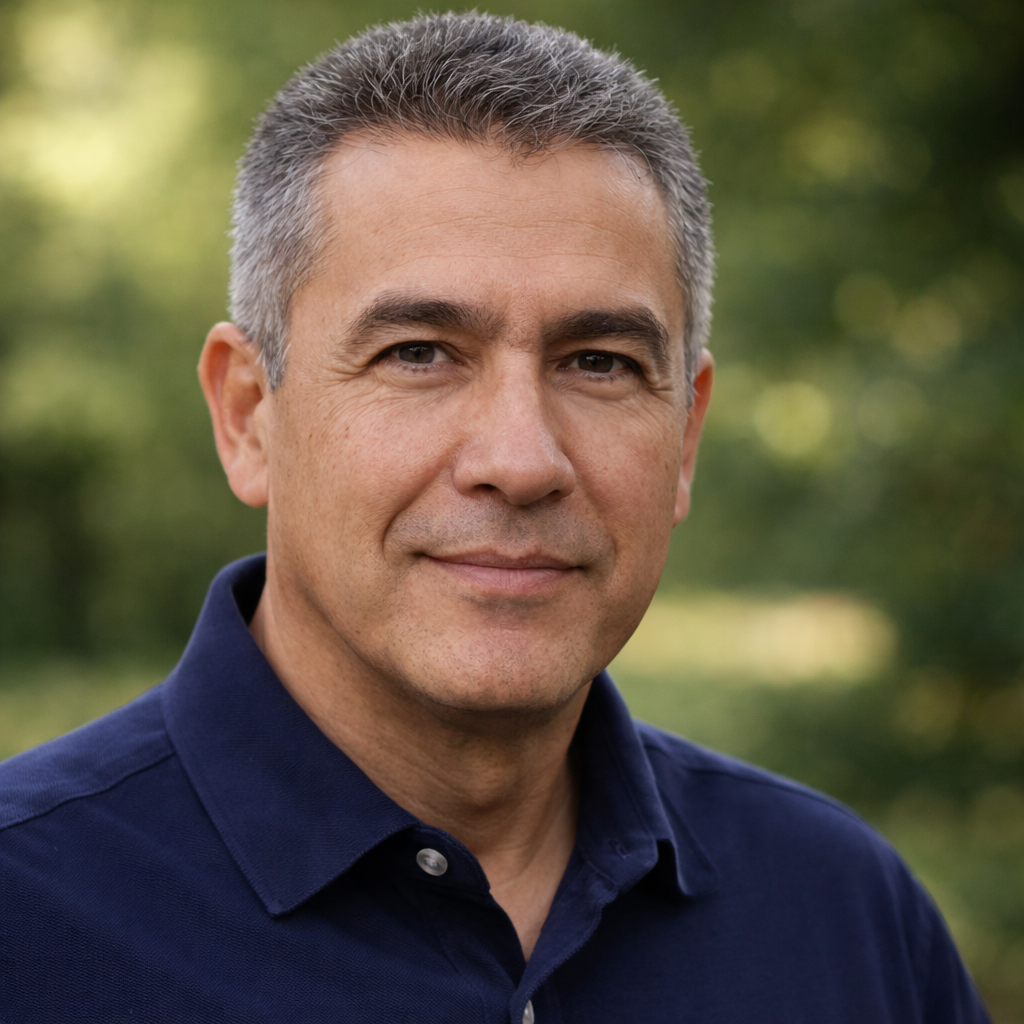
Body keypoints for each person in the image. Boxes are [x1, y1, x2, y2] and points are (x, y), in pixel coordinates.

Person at [0, 13, 989, 1023]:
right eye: (418, 353)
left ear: (684, 436)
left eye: (598, 363)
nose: (520, 461)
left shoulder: (846, 922)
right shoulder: (26, 923)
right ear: (249, 415)